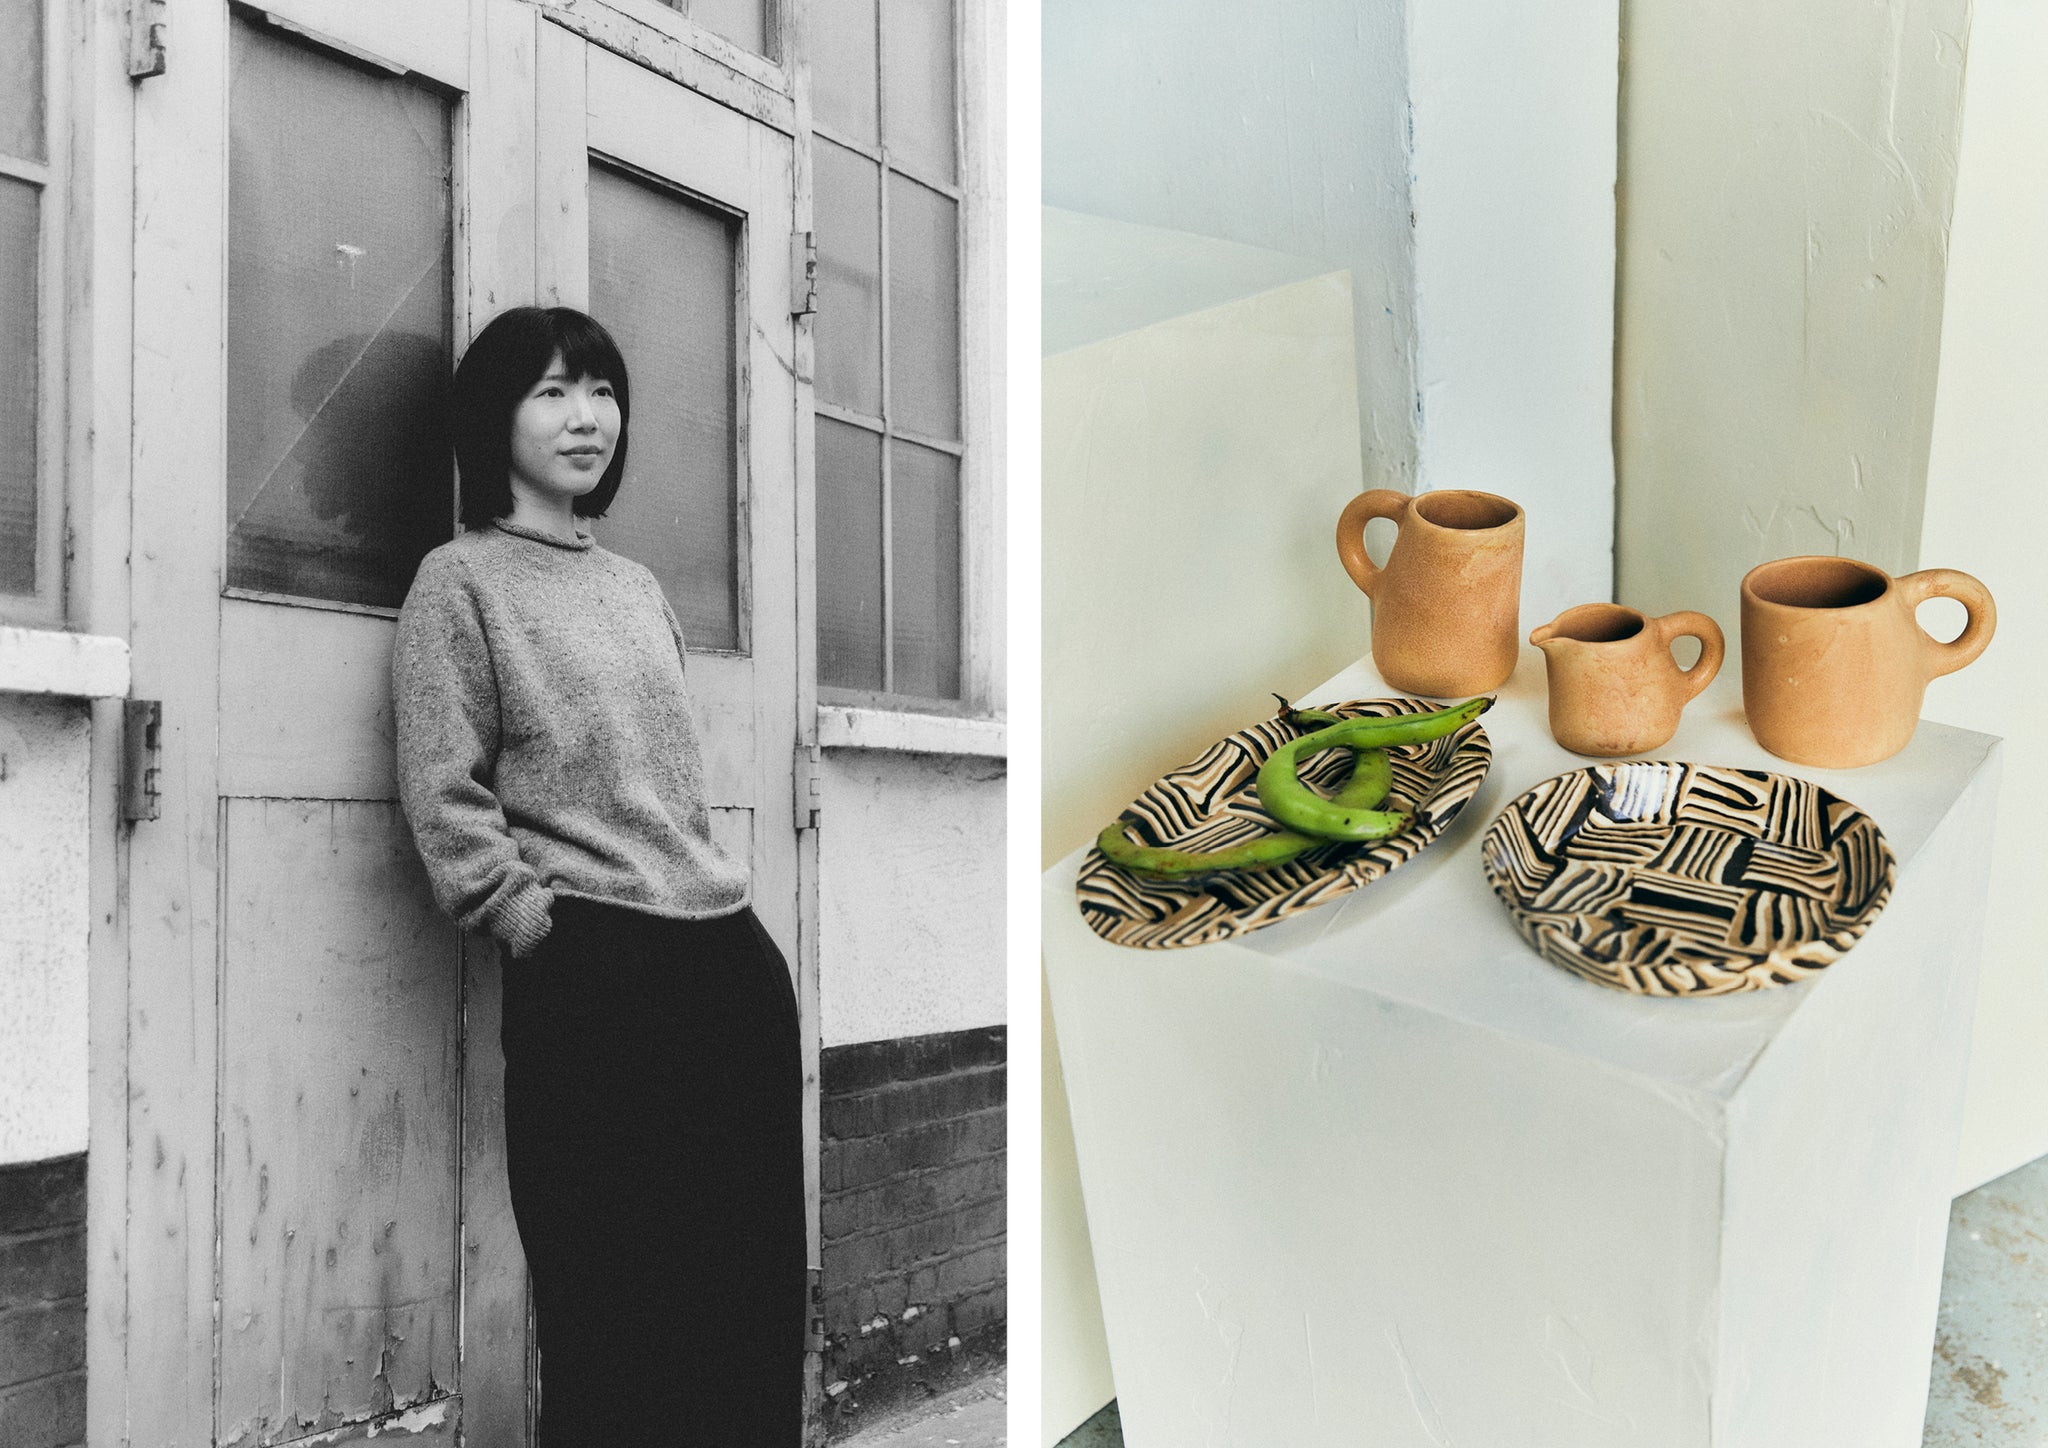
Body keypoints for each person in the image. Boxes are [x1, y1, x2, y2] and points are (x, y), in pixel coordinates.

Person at [391, 306, 803, 1445]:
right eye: (553, 392)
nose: (587, 418)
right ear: (493, 416)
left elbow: (667, 781)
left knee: (745, 1297)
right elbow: (443, 789)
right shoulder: (459, 583)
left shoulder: (633, 585)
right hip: (597, 972)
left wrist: (728, 919)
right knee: (613, 1302)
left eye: (603, 390)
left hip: (723, 959)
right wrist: (534, 923)